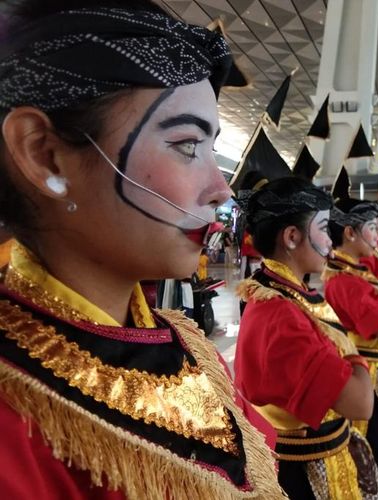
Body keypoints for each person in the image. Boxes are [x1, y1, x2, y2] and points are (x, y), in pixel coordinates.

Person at [0, 1, 283, 497]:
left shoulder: (188, 345)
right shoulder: (11, 423)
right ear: (45, 155)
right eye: (188, 146)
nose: (222, 189)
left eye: (212, 150)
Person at [234, 177, 378, 499]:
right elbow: (361, 403)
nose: (331, 240)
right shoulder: (281, 316)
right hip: (303, 475)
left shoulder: (278, 291)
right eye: (323, 227)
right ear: (292, 237)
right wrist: (352, 354)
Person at [323, 198, 378, 483]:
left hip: (376, 366)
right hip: (367, 375)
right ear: (350, 233)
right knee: (377, 455)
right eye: (372, 227)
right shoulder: (345, 281)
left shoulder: (352, 273)